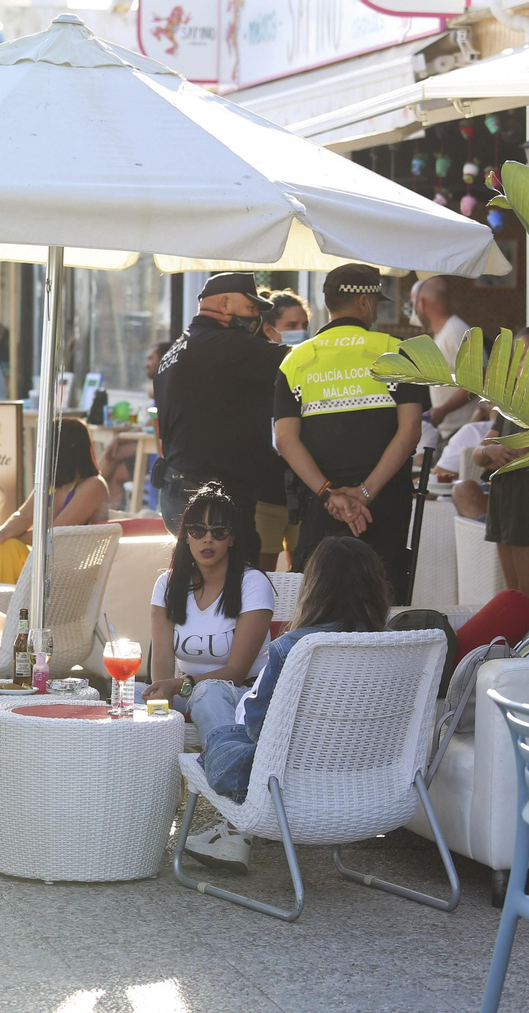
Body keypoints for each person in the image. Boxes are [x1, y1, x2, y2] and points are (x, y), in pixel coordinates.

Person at [183, 535, 391, 872]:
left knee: (219, 730)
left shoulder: (295, 647)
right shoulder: (395, 646)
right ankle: (235, 832)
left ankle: (237, 827)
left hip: (285, 782)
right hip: (362, 780)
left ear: (315, 588)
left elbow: (256, 727)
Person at [275, 264, 425, 589]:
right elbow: (411, 430)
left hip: (322, 505)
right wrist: (366, 493)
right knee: (383, 600)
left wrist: (329, 492)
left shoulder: (295, 360)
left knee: (321, 602)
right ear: (363, 303)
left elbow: (285, 440)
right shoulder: (398, 351)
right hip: (385, 503)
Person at [153, 272, 281, 565]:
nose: (256, 318)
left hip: (178, 484)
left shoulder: (176, 349)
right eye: (251, 309)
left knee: (195, 582)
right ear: (225, 304)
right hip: (212, 490)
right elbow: (298, 363)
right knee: (233, 585)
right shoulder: (224, 343)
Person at [142, 485, 273, 717]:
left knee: (208, 693)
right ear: (186, 537)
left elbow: (237, 672)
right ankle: (156, 749)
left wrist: (178, 686)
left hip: (243, 695)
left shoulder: (252, 583)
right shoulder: (167, 584)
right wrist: (165, 705)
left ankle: (225, 754)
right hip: (184, 691)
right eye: (198, 531)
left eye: (219, 532)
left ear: (231, 538)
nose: (208, 539)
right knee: (131, 694)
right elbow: (162, 661)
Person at [0, 417, 111, 583]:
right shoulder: (53, 484)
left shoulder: (93, 485)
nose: (42, 452)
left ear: (64, 450)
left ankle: (3, 606)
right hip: (49, 562)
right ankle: (6, 605)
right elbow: (23, 516)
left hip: (76, 570)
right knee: (7, 547)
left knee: (10, 546)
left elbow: (56, 534)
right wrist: (0, 533)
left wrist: (11, 537)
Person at [255, 290, 310, 571]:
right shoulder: (257, 374)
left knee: (303, 578)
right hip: (266, 494)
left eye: (304, 326)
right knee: (260, 578)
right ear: (269, 329)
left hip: (306, 492)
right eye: (291, 326)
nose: (300, 332)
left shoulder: (311, 371)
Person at [410, 277, 475, 440]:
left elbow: (476, 381)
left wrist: (443, 410)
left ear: (422, 304)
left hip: (462, 430)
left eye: (413, 303)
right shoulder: (445, 333)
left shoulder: (455, 332)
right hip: (450, 430)